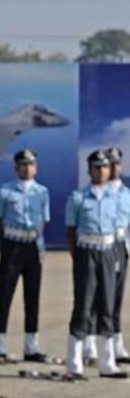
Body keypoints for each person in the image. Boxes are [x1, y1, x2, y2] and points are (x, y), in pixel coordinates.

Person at [65, 150, 127, 379]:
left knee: (108, 306)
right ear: (89, 170)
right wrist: (78, 257)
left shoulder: (117, 198)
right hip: (86, 251)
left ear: (110, 170)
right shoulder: (78, 197)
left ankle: (108, 363)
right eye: (97, 167)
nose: (101, 171)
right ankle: (74, 363)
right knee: (83, 305)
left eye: (105, 167)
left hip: (108, 251)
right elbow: (71, 231)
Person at [0, 149, 50, 363]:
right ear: (16, 167)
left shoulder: (42, 192)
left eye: (31, 164)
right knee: (4, 294)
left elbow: (44, 220)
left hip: (33, 245)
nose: (27, 168)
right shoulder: (5, 191)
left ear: (36, 167)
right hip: (12, 244)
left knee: (32, 296)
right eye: (23, 164)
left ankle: (31, 346)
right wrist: (6, 242)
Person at [106, 147, 130, 363]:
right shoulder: (100, 192)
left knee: (116, 299)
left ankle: (117, 345)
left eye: (116, 163)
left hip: (122, 246)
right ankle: (90, 346)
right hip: (103, 246)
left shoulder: (126, 192)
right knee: (99, 298)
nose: (114, 168)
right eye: (109, 163)